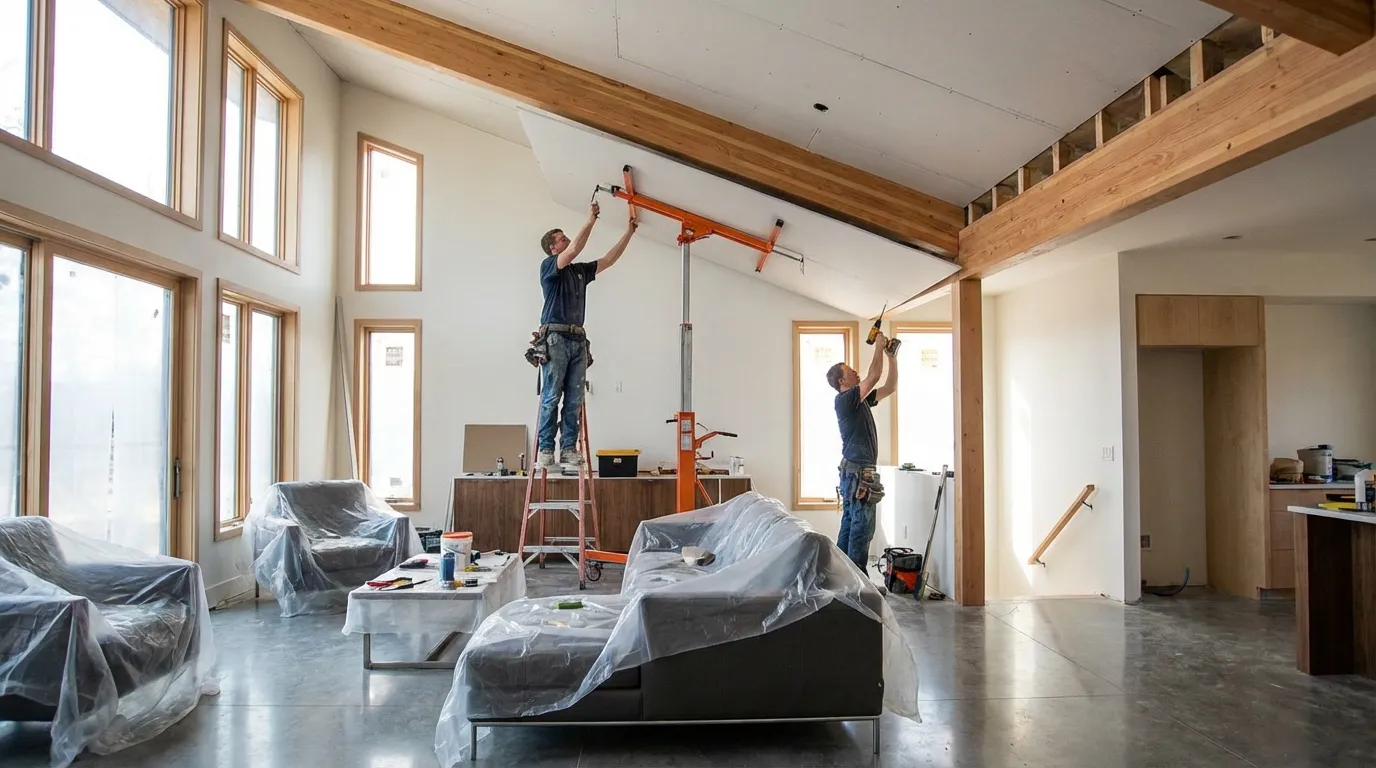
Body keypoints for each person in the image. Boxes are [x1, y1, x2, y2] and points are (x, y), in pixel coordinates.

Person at [533, 201, 638, 469]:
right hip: (555, 337)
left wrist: (628, 233)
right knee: (552, 395)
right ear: (553, 248)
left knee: (575, 398)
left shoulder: (579, 272)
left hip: (578, 339)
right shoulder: (549, 267)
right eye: (562, 239)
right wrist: (591, 220)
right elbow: (575, 249)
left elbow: (609, 259)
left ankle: (569, 449)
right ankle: (546, 450)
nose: (567, 240)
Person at [825, 331, 898, 572]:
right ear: (841, 381)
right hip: (858, 470)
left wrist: (891, 357)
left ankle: (842, 575)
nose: (856, 372)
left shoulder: (861, 399)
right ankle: (859, 580)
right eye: (851, 371)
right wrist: (878, 347)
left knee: (850, 522)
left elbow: (890, 387)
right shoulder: (845, 400)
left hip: (855, 469)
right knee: (862, 526)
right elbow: (874, 376)